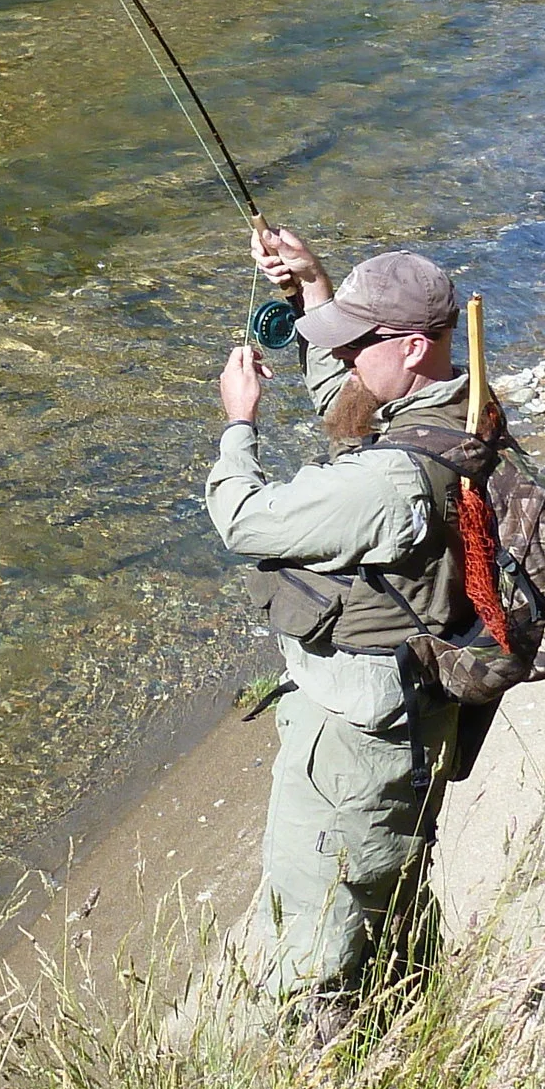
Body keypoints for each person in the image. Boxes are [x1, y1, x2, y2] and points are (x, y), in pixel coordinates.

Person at [204, 227, 480, 1010]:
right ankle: (411, 1028)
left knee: (318, 929)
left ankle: (320, 1083)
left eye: (360, 341)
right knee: (391, 903)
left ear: (415, 346)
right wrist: (314, 290)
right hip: (418, 720)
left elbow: (246, 521)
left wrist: (239, 425)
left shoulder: (391, 483)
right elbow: (352, 398)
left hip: (356, 746)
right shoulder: (466, 408)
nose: (346, 358)